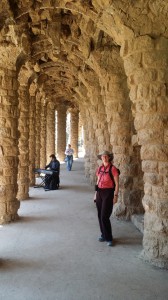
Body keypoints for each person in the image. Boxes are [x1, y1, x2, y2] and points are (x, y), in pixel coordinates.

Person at [95, 150, 119, 247]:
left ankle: (109, 237)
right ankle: (103, 235)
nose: (104, 157)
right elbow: (98, 181)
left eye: (106, 156)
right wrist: (95, 193)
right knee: (99, 215)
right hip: (99, 192)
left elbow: (117, 183)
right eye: (102, 156)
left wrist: (116, 195)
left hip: (108, 193)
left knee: (104, 216)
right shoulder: (100, 168)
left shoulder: (113, 169)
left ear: (109, 157)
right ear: (101, 158)